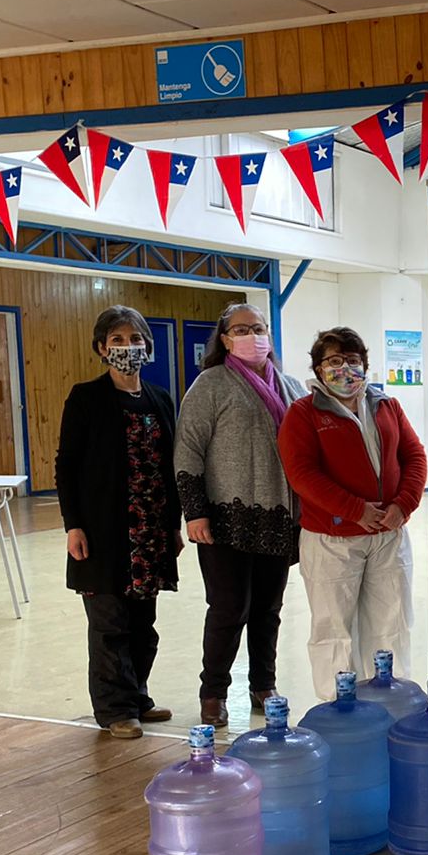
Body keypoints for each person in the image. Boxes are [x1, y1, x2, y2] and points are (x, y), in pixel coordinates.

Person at [277, 326, 427, 700]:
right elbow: (302, 474)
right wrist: (356, 510)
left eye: (353, 360)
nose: (345, 368)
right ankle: (338, 706)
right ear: (318, 368)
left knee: (391, 624)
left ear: (365, 365)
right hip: (333, 539)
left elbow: (414, 457)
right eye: (334, 361)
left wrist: (402, 506)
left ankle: (390, 698)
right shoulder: (303, 414)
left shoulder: (386, 405)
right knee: (334, 628)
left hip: (387, 535)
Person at [175, 302, 306, 727]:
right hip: (224, 520)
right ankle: (213, 694)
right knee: (229, 609)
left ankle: (262, 686)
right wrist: (194, 513)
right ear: (225, 339)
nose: (253, 335)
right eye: (242, 329)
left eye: (259, 327)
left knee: (268, 609)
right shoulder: (210, 385)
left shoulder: (289, 387)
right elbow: (188, 451)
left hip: (278, 519)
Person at [55, 305, 182, 739]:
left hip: (149, 533)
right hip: (104, 533)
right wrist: (73, 524)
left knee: (143, 626)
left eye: (135, 339)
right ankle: (114, 710)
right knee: (110, 624)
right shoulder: (86, 397)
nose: (128, 348)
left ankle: (137, 696)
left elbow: (171, 467)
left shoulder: (161, 398)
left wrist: (172, 527)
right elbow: (66, 465)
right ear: (101, 348)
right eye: (118, 341)